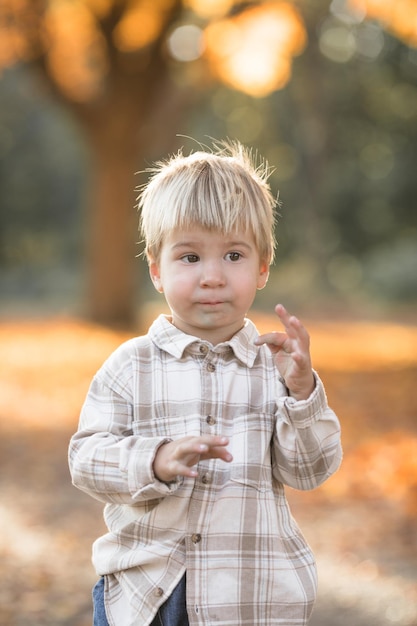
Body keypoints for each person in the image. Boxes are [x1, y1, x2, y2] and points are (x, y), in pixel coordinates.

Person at [69, 139, 342, 626]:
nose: (213, 276)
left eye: (233, 256)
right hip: (145, 595)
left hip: (249, 596)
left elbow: (311, 471)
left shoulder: (274, 368)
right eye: (190, 257)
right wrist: (155, 458)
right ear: (156, 269)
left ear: (262, 267)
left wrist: (302, 395)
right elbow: (86, 461)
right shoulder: (130, 366)